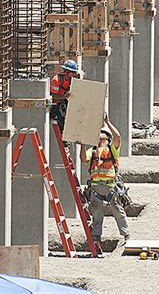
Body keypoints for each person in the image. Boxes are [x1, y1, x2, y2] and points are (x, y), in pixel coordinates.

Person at [80, 113, 130, 246]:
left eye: (103, 136)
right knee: (97, 214)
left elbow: (118, 137)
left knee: (118, 210)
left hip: (110, 187)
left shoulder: (112, 150)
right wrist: (83, 145)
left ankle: (126, 235)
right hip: (96, 188)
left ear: (108, 139)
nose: (101, 138)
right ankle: (96, 237)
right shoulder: (93, 151)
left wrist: (107, 122)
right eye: (99, 136)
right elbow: (84, 159)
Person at [49, 59, 78, 132]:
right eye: (73, 72)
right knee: (60, 123)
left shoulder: (71, 79)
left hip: (63, 101)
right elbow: (54, 96)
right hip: (55, 104)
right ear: (67, 71)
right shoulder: (56, 80)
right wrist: (65, 96)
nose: (74, 74)